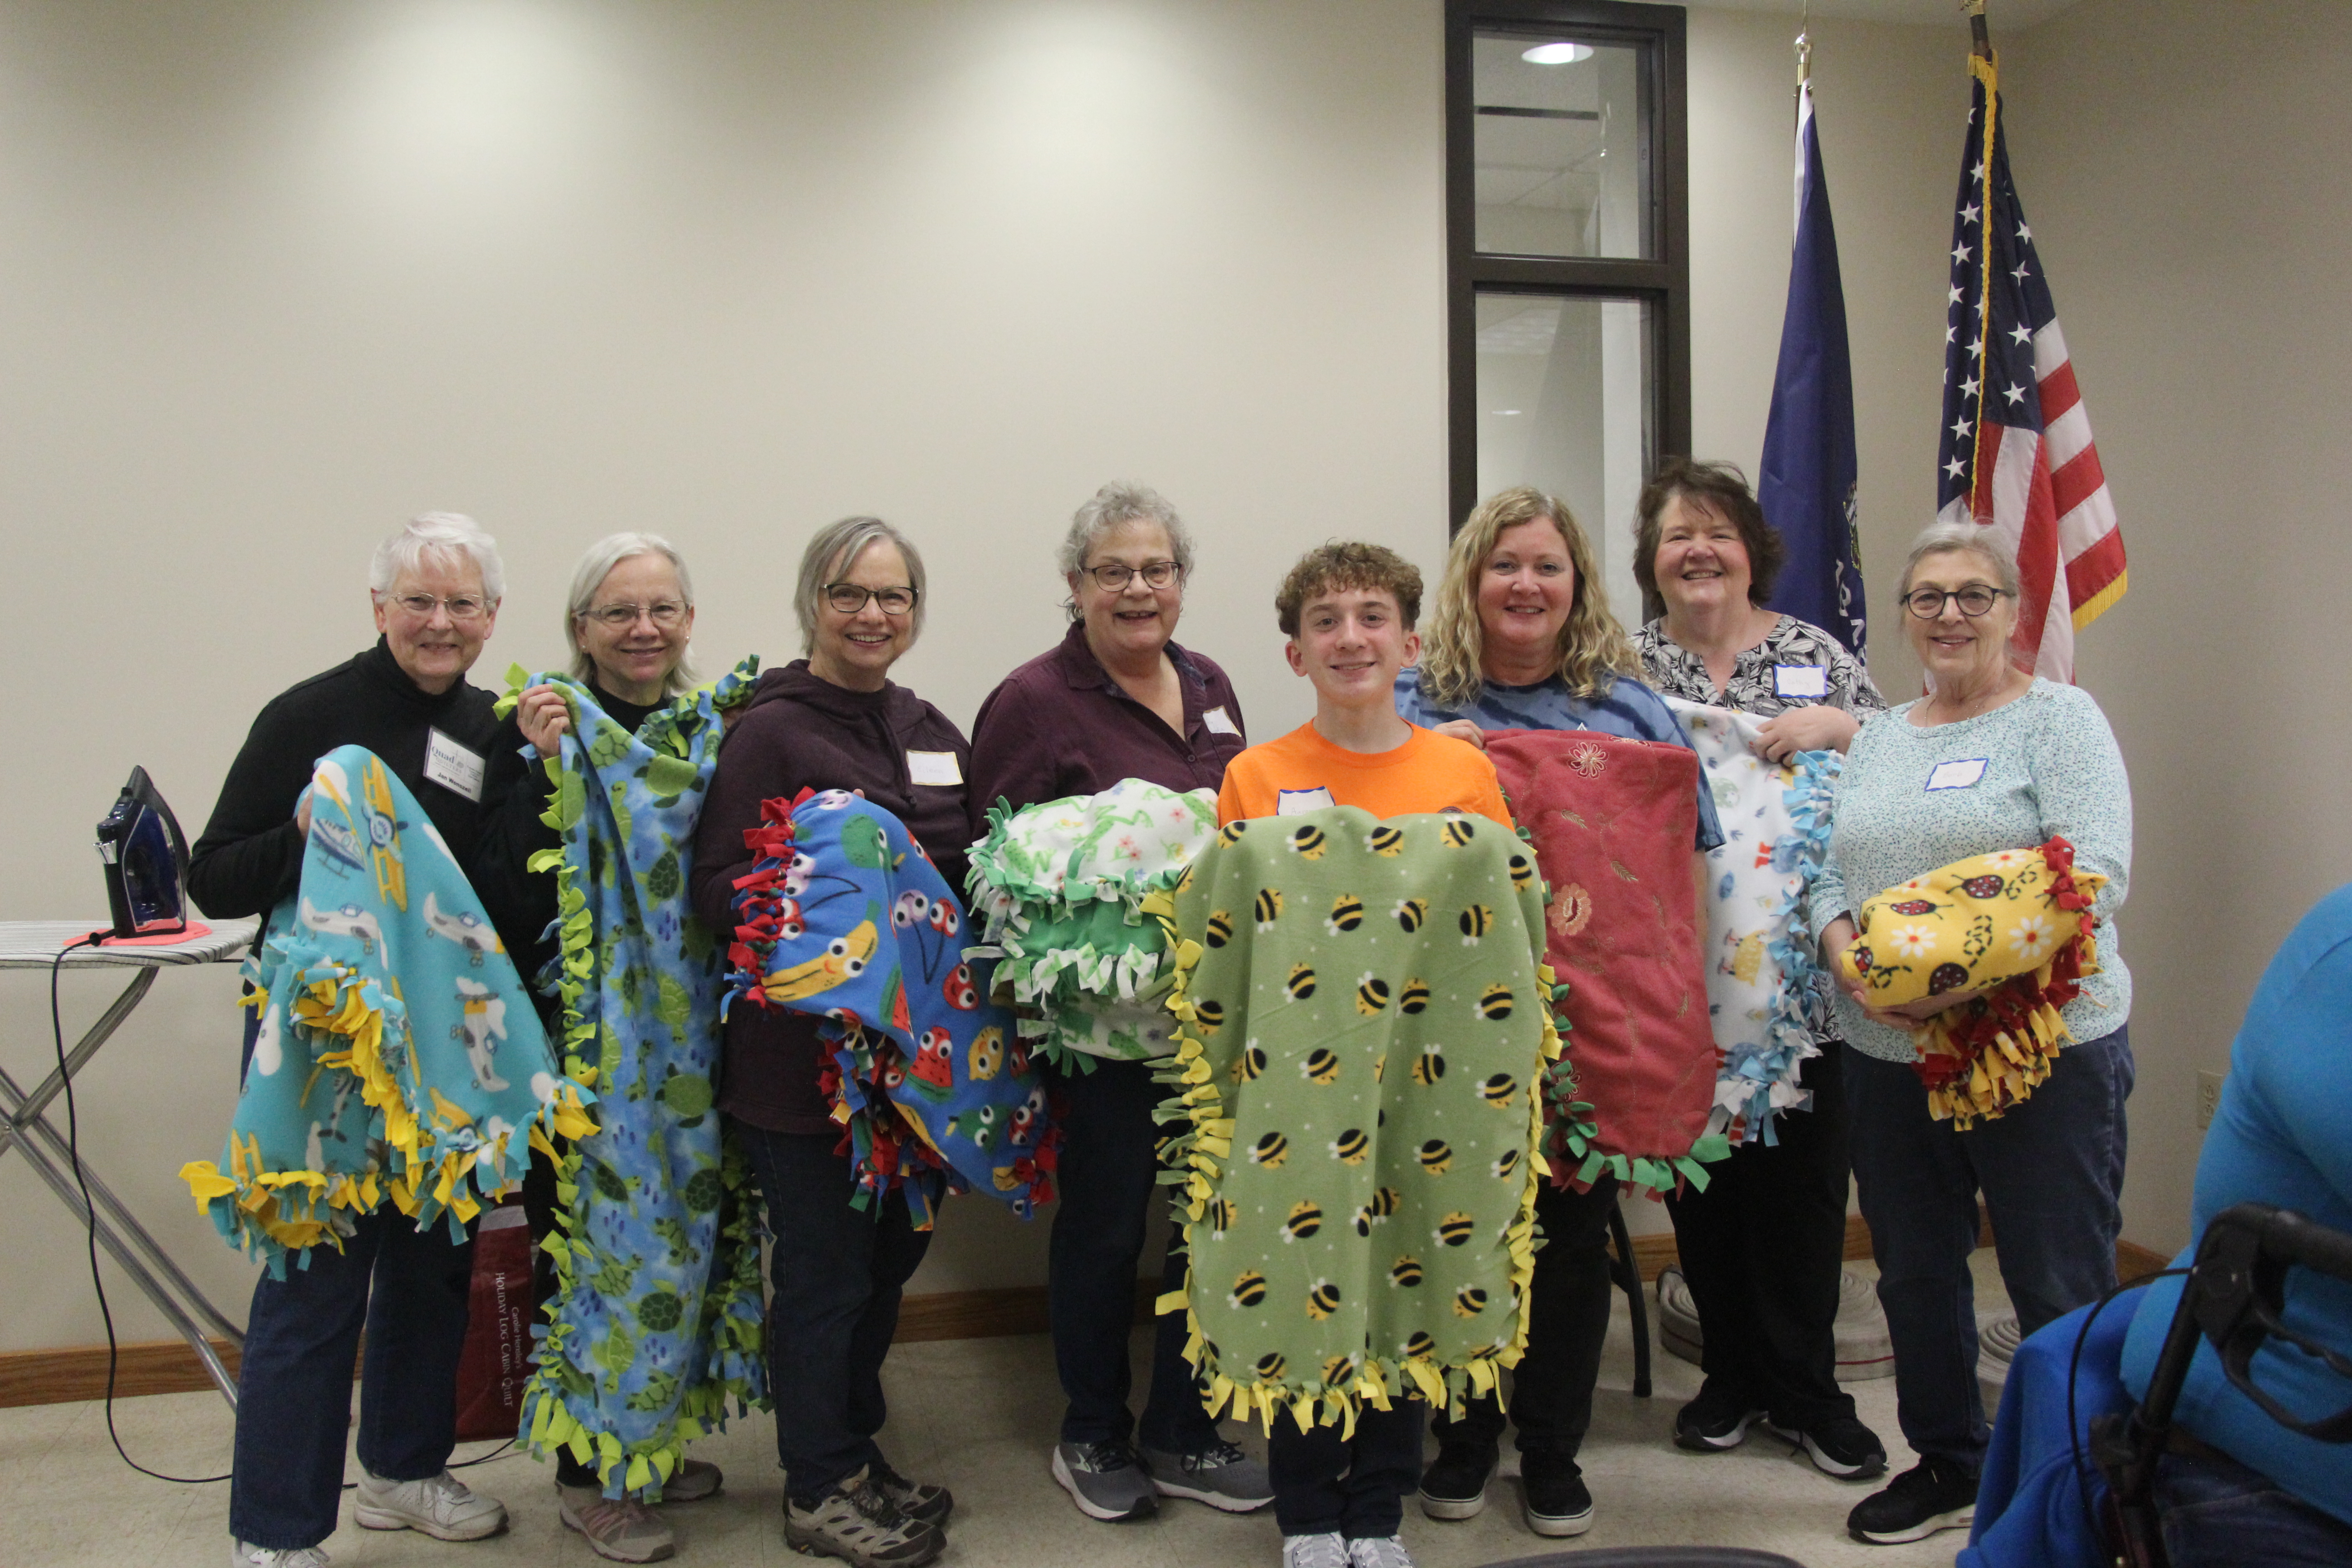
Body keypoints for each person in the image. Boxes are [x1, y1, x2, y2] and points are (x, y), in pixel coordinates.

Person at [1396, 485, 1723, 1539]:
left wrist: (1681, 1012)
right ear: (1471, 582)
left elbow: (1690, 864)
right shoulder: (1410, 700)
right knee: (1455, 1229)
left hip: (1591, 1025)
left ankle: (1550, 1451)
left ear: (1577, 583)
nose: (1525, 585)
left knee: (1570, 1239)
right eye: (1504, 565)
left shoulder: (1628, 710)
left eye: (1547, 566)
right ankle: (1462, 1439)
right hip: (1444, 1022)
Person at [191, 513, 516, 1568]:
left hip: (445, 1041)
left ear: (490, 618)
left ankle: (406, 1470)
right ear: (378, 608)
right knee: (315, 1279)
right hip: (326, 1046)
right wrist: (299, 831)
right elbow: (213, 876)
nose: (439, 621)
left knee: (436, 1264)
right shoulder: (311, 716)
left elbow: (502, 883)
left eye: (460, 603)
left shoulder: (496, 725)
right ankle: (277, 1531)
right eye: (417, 601)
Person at [1812, 521, 2133, 1546]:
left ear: (2012, 608)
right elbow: (1831, 872)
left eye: (1973, 594)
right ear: (1905, 616)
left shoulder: (2061, 722)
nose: (1950, 614)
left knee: (2056, 1277)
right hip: (1888, 1051)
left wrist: (1947, 981)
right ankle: (1946, 1460)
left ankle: (2074, 1482)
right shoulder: (1885, 734)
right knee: (1914, 1267)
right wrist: (1850, 962)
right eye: (1929, 597)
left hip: (2042, 1047)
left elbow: (2093, 875)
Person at [967, 482, 1269, 1522]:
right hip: (1098, 1030)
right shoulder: (1032, 699)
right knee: (1103, 1227)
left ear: (1181, 583)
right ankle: (1091, 1432)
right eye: (1114, 571)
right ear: (1074, 585)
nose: (1138, 589)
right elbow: (996, 860)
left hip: (1210, 1017)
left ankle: (1183, 1433)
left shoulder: (1215, 682)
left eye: (1157, 570)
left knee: (1205, 1221)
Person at [1217, 540, 1511, 1568]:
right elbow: (1230, 943)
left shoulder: (1463, 774)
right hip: (1297, 1084)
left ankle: (1380, 1504)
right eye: (1327, 621)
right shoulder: (1255, 777)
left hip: (1431, 1085)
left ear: (1412, 641)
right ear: (1295, 654)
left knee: (1406, 1269)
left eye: (1373, 616)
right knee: (1306, 1268)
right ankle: (1305, 1509)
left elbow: (1502, 935)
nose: (1352, 637)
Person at [688, 517, 963, 1568]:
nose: (873, 615)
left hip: (920, 1070)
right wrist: (824, 911)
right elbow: (715, 889)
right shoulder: (770, 731)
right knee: (825, 1276)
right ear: (814, 601)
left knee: (890, 1265)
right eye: (851, 594)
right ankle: (817, 1490)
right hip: (803, 1073)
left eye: (893, 597)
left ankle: (854, 1455)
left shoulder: (931, 723)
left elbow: (970, 864)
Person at [473, 534, 736, 1563]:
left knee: (684, 1243)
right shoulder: (539, 727)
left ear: (687, 622)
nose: (643, 630)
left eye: (662, 609)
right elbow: (502, 884)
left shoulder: (709, 731)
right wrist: (544, 769)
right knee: (589, 1249)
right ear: (581, 628)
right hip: (584, 1048)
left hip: (692, 1045)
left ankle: (645, 1449)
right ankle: (590, 1480)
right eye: (620, 612)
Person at [1629, 460, 1890, 1481]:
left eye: (1718, 534)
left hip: (1805, 984)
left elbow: (1900, 762)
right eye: (1676, 535)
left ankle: (1809, 1390)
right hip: (1679, 972)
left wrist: (1847, 727)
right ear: (1652, 562)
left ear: (1751, 553)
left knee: (1807, 1187)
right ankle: (1731, 1376)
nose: (1698, 550)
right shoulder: (1628, 665)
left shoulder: (1813, 654)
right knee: (1704, 1185)